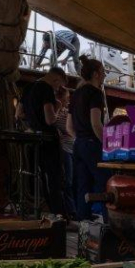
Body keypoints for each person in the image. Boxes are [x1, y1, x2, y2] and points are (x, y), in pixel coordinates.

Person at [19, 66, 67, 216]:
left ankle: (51, 212)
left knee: (41, 177)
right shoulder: (46, 89)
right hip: (48, 139)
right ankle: (60, 215)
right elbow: (50, 119)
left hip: (34, 139)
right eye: (58, 85)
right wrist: (58, 107)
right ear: (56, 79)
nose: (57, 89)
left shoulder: (28, 88)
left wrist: (34, 121)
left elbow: (19, 114)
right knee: (54, 179)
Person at [70, 56, 109, 220]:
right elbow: (96, 123)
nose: (105, 76)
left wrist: (80, 138)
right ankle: (109, 222)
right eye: (103, 72)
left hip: (78, 144)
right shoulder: (96, 93)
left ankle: (83, 225)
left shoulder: (75, 94)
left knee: (83, 185)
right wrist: (107, 144)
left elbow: (68, 127)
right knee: (106, 183)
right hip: (92, 144)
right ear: (95, 74)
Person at [52, 85, 75, 219]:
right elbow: (67, 128)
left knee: (71, 180)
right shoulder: (60, 113)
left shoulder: (64, 112)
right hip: (66, 149)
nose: (68, 99)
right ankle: (71, 211)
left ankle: (72, 209)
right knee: (68, 181)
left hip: (71, 148)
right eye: (66, 97)